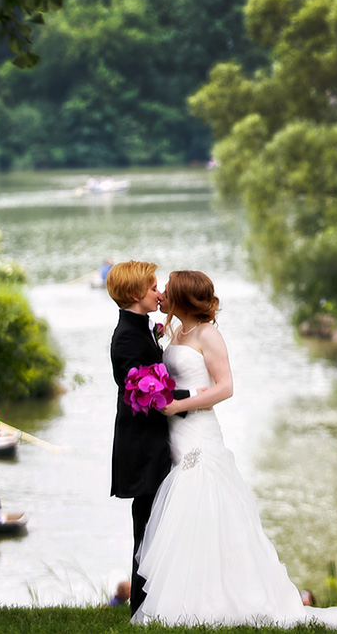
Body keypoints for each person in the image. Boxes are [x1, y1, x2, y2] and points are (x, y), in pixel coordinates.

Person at [133, 270, 337, 628]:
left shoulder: (209, 335)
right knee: (184, 507)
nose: (161, 292)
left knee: (202, 501)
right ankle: (184, 596)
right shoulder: (177, 332)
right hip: (175, 434)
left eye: (167, 288)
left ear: (182, 296)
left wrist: (180, 404)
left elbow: (225, 388)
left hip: (197, 431)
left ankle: (213, 600)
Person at [107, 260, 189, 618]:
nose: (160, 293)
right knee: (147, 522)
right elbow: (144, 393)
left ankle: (155, 601)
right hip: (141, 445)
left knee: (157, 520)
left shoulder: (141, 328)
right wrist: (195, 398)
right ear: (136, 294)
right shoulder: (126, 336)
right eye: (154, 288)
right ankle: (142, 606)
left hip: (153, 441)